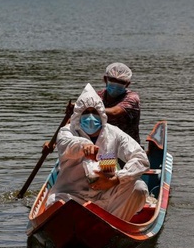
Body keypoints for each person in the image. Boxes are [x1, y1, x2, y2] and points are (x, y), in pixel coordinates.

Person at [46, 83, 150, 221]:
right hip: (71, 195)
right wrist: (84, 145)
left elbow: (141, 158)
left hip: (106, 195)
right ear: (78, 115)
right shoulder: (67, 131)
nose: (90, 117)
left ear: (101, 114)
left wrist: (117, 179)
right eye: (85, 112)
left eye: (94, 112)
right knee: (55, 205)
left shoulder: (113, 133)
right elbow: (66, 145)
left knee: (139, 188)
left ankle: (113, 224)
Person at [97, 63, 141, 144]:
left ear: (127, 84)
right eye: (113, 80)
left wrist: (90, 108)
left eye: (121, 82)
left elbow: (115, 112)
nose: (116, 85)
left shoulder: (132, 98)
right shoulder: (97, 96)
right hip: (104, 144)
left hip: (128, 146)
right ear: (105, 79)